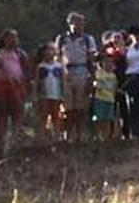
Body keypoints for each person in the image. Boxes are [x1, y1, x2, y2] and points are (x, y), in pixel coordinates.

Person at [55, 12, 97, 142]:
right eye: (77, 23)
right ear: (70, 24)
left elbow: (91, 59)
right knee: (68, 107)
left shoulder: (88, 39)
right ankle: (68, 134)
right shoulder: (61, 39)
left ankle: (79, 134)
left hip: (82, 71)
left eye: (81, 23)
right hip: (66, 72)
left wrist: (93, 77)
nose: (80, 26)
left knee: (81, 106)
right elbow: (57, 57)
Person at [0, 29, 29, 148]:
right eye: (11, 37)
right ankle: (3, 138)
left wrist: (24, 83)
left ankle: (15, 137)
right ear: (4, 39)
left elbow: (26, 69)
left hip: (17, 84)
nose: (14, 40)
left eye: (15, 37)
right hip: (1, 84)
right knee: (2, 112)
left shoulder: (20, 54)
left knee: (18, 111)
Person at [35, 43, 66, 140]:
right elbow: (36, 82)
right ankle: (42, 136)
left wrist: (64, 94)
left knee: (56, 115)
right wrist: (34, 95)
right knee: (43, 115)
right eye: (47, 50)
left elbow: (63, 81)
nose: (50, 52)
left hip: (56, 94)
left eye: (52, 50)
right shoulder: (40, 66)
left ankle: (56, 136)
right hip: (43, 94)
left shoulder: (59, 67)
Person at [91, 53, 119, 140]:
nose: (108, 64)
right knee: (99, 118)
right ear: (102, 63)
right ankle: (98, 135)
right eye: (106, 62)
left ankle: (106, 136)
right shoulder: (98, 73)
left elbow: (115, 87)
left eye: (111, 62)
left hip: (110, 100)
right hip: (100, 99)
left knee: (108, 119)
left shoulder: (113, 76)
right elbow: (94, 83)